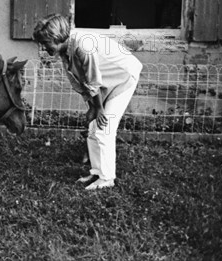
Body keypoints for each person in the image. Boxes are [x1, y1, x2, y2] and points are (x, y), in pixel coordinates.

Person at [32, 14, 142, 190]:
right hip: (106, 81)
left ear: (57, 38)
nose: (45, 48)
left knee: (105, 128)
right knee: (93, 128)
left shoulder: (83, 46)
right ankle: (97, 172)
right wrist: (92, 107)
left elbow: (92, 80)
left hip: (124, 77)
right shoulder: (65, 51)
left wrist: (99, 108)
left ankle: (107, 179)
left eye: (46, 44)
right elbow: (80, 81)